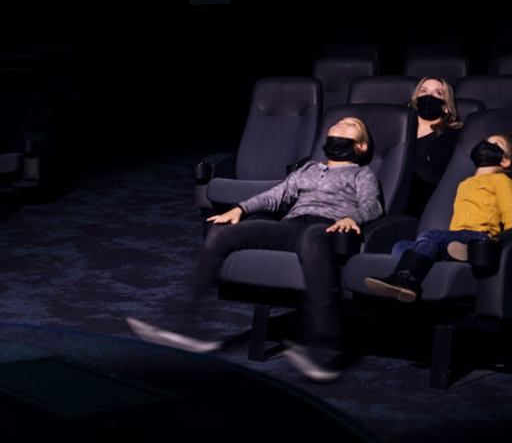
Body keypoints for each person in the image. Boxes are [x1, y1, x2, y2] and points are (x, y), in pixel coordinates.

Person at [128, 116, 382, 382]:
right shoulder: (308, 169)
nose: (343, 123)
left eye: (352, 125)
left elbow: (372, 206)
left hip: (329, 228)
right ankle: (187, 327)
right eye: (340, 122)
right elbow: (276, 195)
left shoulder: (360, 174)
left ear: (362, 147)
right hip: (293, 225)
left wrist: (353, 218)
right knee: (223, 233)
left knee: (311, 237)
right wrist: (240, 209)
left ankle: (324, 345)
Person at [364, 131, 512, 301]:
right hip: (457, 236)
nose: (486, 145)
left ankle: (406, 279)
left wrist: (508, 245)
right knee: (400, 245)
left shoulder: (502, 181)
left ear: (505, 160)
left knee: (431, 235)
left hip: (479, 237)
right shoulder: (465, 183)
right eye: (486, 141)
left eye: (495, 145)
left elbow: (510, 215)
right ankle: (450, 253)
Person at [404, 76, 463, 217]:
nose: (429, 96)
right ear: (415, 99)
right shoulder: (399, 129)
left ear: (447, 107)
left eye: (438, 93)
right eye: (423, 91)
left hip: (426, 205)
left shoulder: (453, 135)